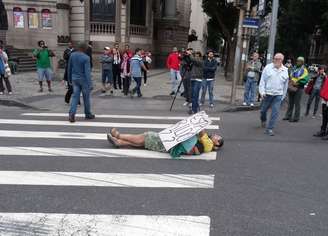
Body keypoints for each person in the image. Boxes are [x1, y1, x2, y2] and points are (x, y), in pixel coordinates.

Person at [107, 128, 224, 159]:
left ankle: (119, 136)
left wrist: (198, 124)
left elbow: (201, 131)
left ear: (216, 145)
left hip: (170, 143)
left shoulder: (208, 144)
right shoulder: (205, 142)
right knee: (145, 143)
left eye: (218, 138)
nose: (216, 135)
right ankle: (120, 142)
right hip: (171, 144)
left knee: (146, 137)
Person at [259, 53, 289, 136]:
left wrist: (283, 96)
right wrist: (262, 92)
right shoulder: (268, 68)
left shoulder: (285, 70)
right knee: (263, 111)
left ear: (282, 60)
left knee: (275, 112)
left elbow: (285, 85)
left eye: (278, 59)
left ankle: (270, 129)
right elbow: (262, 81)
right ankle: (263, 119)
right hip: (267, 94)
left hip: (278, 95)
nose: (276, 60)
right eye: (275, 58)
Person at [67, 42, 95, 123]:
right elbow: (87, 72)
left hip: (74, 79)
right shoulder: (86, 57)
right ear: (85, 49)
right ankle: (87, 113)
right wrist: (90, 84)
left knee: (75, 97)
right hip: (84, 80)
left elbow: (69, 68)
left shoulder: (72, 55)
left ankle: (72, 113)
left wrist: (69, 79)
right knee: (86, 98)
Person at [283, 56, 309, 122]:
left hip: (299, 88)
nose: (298, 62)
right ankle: (288, 115)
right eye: (297, 61)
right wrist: (291, 81)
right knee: (290, 102)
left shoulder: (304, 70)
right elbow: (290, 76)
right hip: (292, 87)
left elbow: (305, 79)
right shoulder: (294, 68)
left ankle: (296, 118)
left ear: (302, 62)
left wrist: (297, 83)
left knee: (297, 103)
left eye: (300, 61)